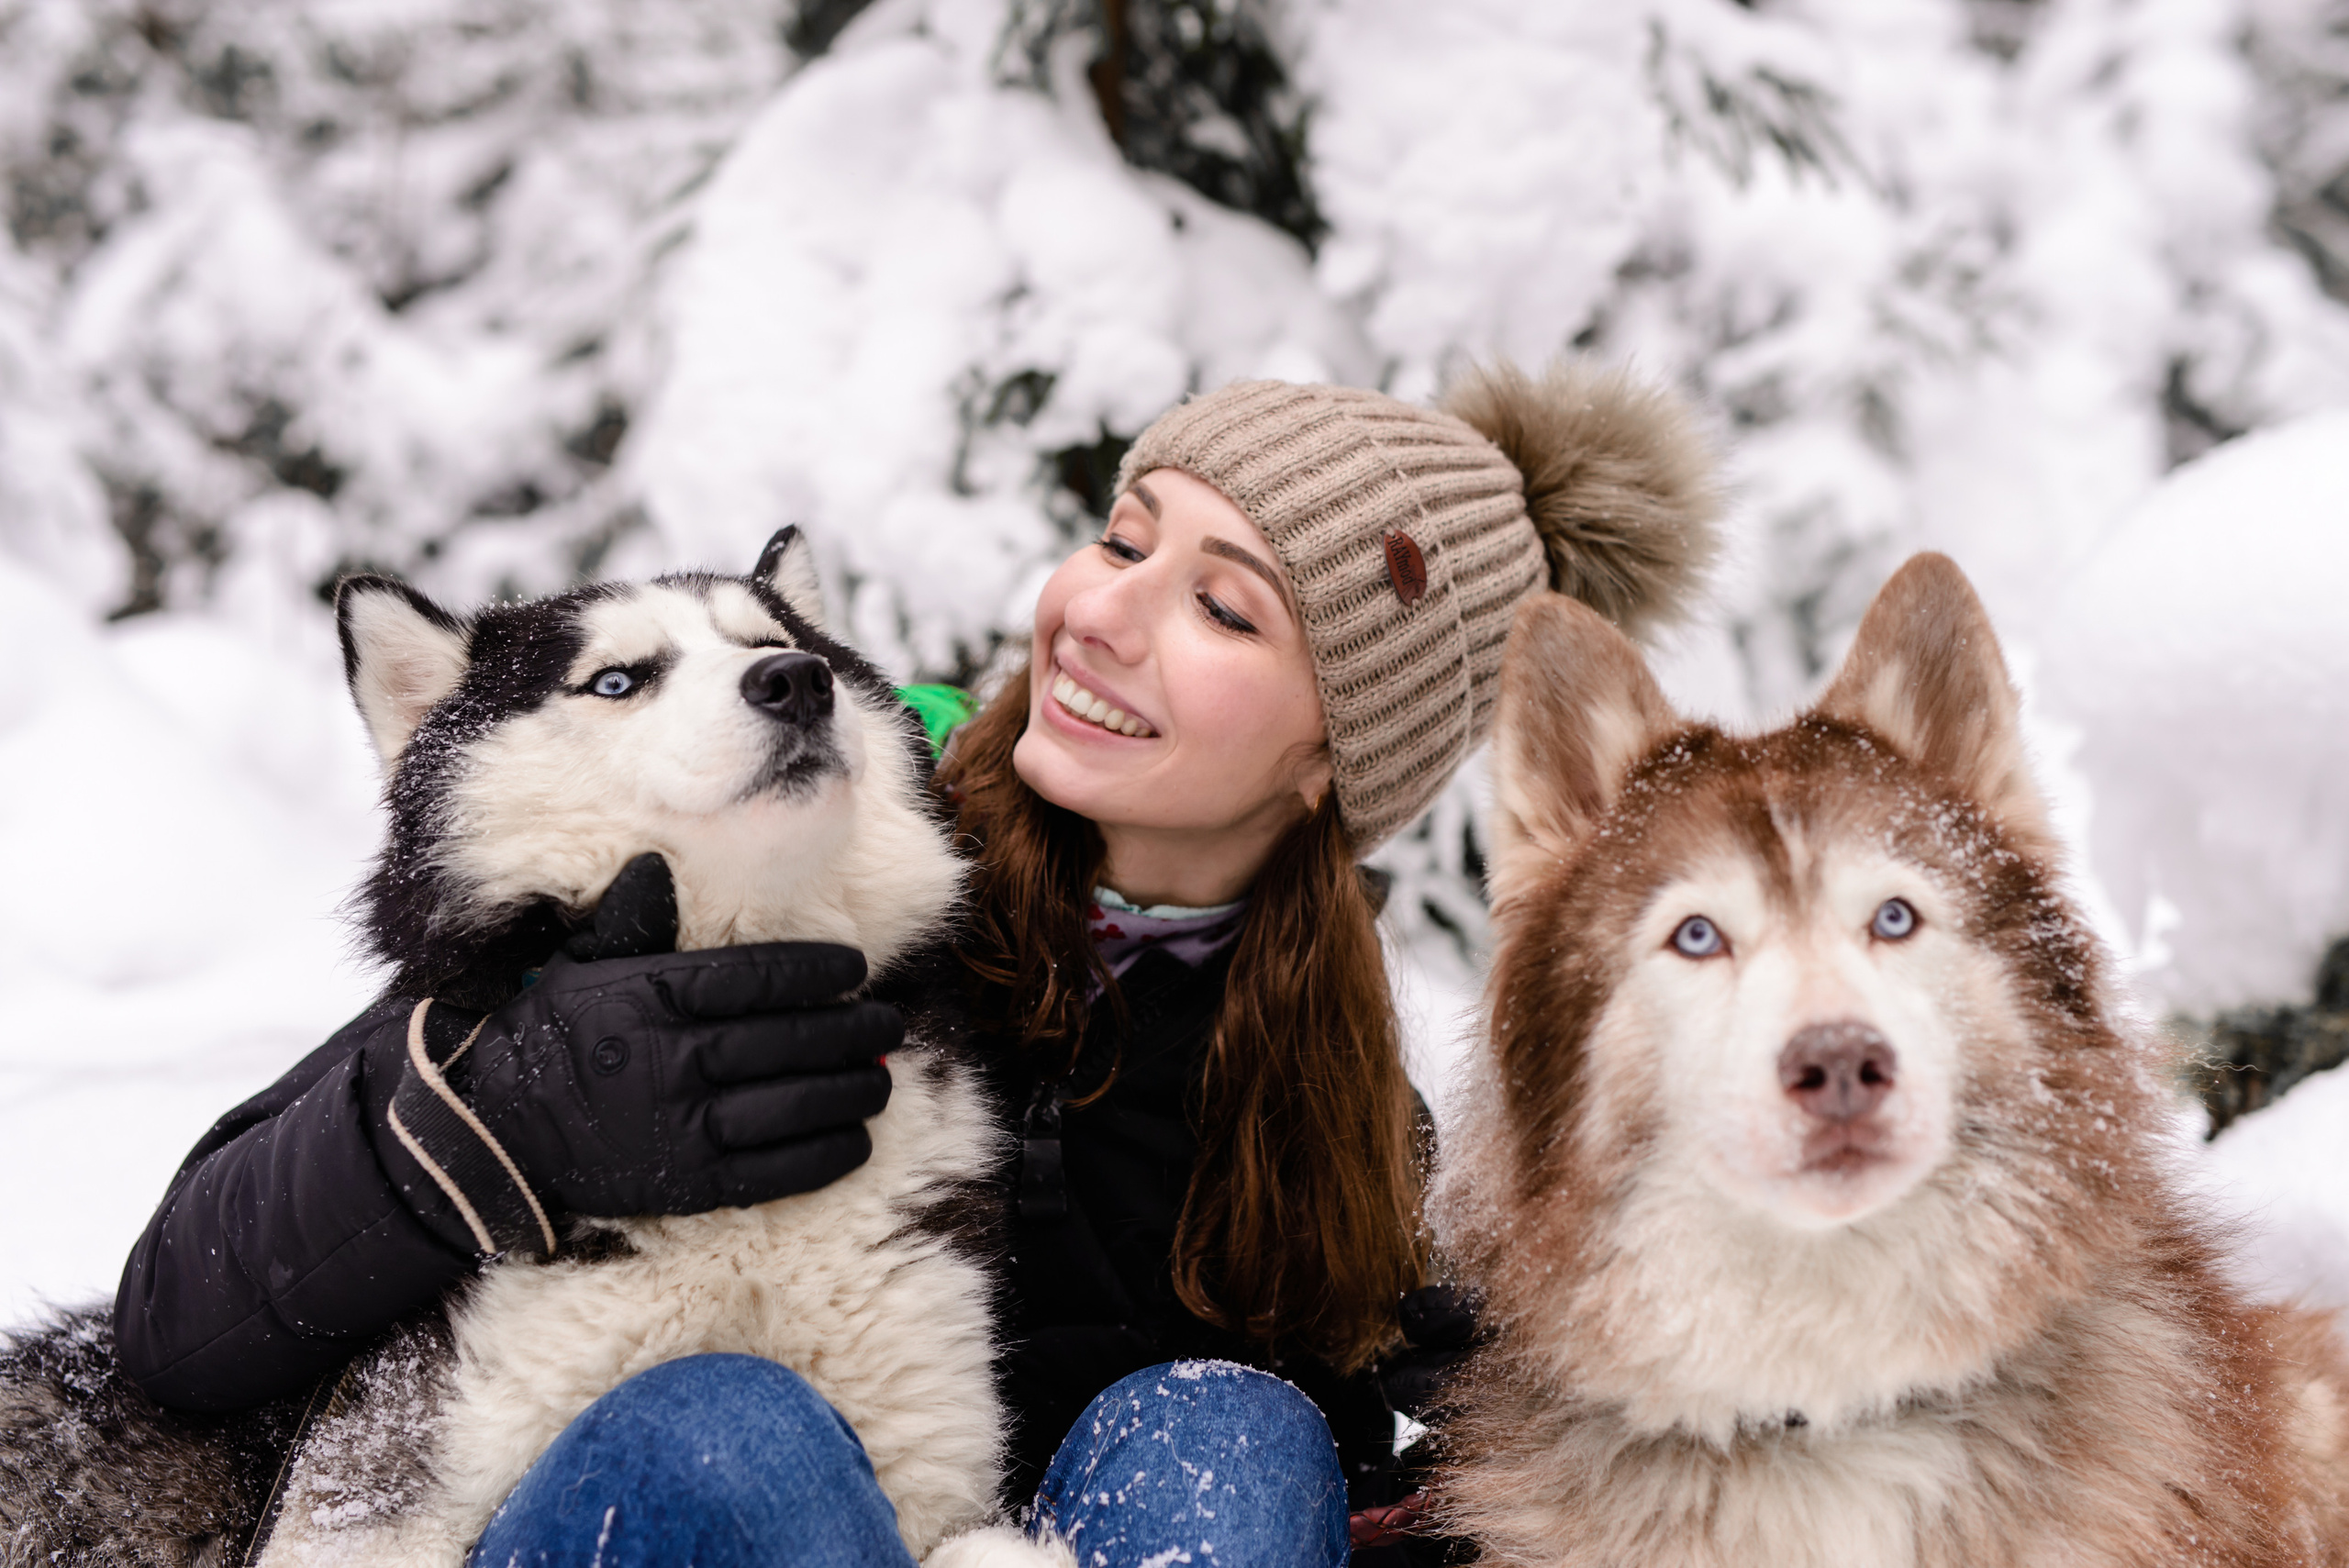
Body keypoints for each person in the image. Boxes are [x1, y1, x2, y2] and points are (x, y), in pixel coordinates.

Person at [112, 363, 1718, 1568]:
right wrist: (502, 1109)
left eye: (1224, 610)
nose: (1103, 615)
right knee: (733, 1431)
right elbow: (178, 1316)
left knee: (1237, 1434)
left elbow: (1466, 1396)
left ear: (1332, 764)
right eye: (1122, 538)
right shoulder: (790, 837)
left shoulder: (1322, 1081)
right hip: (676, 1501)